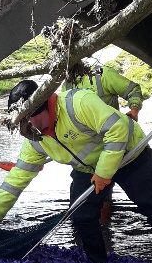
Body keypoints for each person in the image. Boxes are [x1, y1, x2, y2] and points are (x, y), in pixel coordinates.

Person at [0, 80, 152, 263]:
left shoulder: (78, 103)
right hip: (88, 169)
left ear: (41, 109)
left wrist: (104, 172)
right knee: (82, 217)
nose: (25, 128)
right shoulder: (35, 137)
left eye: (26, 120)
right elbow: (19, 175)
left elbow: (118, 128)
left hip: (131, 156)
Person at [60, 62, 144, 225]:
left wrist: (134, 110)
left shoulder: (104, 75)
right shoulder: (67, 83)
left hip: (112, 146)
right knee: (79, 201)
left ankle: (104, 231)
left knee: (105, 193)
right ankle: (84, 235)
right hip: (86, 154)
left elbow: (133, 89)